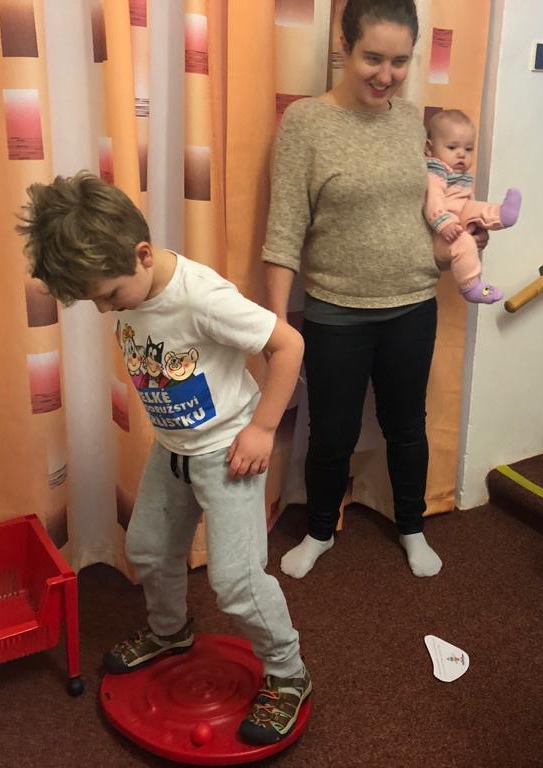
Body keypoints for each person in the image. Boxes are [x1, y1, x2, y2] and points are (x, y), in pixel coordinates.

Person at [16, 171, 311, 746]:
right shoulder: (127, 282)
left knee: (236, 582)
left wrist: (262, 429)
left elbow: (288, 344)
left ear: (143, 254)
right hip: (174, 449)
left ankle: (288, 671)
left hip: (229, 453)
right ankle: (171, 631)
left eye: (108, 297)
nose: (104, 309)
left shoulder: (201, 296)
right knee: (148, 548)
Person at [262, 0, 489, 581]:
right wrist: (276, 325)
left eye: (400, 61)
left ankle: (412, 526)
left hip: (413, 303)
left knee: (406, 425)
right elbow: (284, 231)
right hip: (336, 310)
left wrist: (460, 243)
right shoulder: (306, 123)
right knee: (331, 432)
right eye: (373, 58)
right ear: (344, 46)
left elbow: (425, 211)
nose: (386, 75)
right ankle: (319, 530)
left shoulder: (413, 121)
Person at [424, 108, 521, 304]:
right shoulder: (435, 173)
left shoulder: (460, 177)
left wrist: (478, 224)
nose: (461, 154)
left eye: (468, 149)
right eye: (452, 147)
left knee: (475, 207)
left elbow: (468, 205)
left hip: (457, 217)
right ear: (429, 148)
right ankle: (471, 286)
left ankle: (501, 215)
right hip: (441, 234)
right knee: (464, 242)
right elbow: (433, 202)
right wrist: (445, 224)